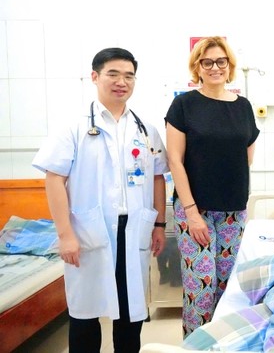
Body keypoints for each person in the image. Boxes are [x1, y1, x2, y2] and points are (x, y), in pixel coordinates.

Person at [32, 47, 169, 353]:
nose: (122, 82)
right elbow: (54, 179)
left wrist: (159, 225)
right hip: (88, 231)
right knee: (85, 312)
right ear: (95, 77)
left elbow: (158, 177)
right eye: (113, 74)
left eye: (129, 76)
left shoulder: (145, 129)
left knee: (131, 311)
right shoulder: (73, 126)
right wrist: (65, 235)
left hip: (134, 229)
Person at [165, 36, 260, 336]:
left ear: (229, 65)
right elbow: (175, 160)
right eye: (207, 62)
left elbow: (247, 156)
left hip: (233, 210)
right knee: (201, 287)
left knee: (228, 286)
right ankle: (197, 345)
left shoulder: (243, 106)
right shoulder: (184, 105)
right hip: (196, 209)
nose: (215, 67)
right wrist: (191, 213)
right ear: (197, 67)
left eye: (221, 61)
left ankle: (225, 342)